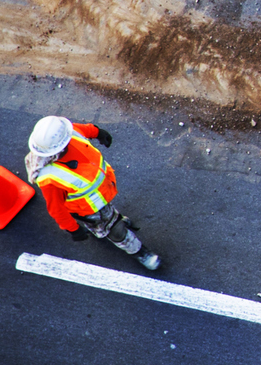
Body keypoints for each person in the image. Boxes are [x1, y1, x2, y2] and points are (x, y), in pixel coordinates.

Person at [26, 116, 161, 271]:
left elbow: (82, 129)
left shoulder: (68, 134)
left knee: (110, 218)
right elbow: (56, 209)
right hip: (89, 209)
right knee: (115, 230)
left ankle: (108, 224)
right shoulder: (50, 178)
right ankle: (139, 252)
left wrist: (98, 132)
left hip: (100, 195)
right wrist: (73, 229)